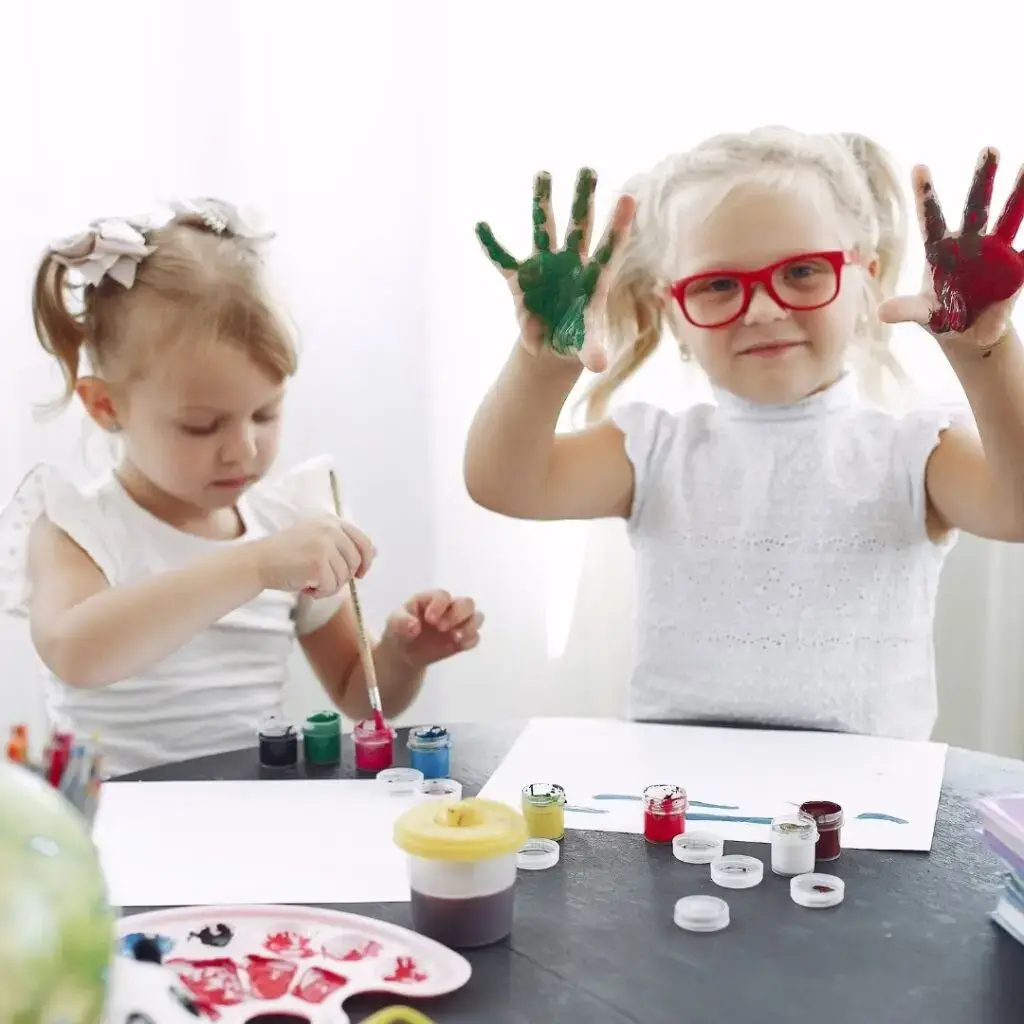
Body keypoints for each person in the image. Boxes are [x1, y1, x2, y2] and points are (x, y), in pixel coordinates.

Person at [464, 126, 1024, 741]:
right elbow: (504, 484)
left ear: (867, 274)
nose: (761, 308)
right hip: (678, 806)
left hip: (865, 806)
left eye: (803, 272)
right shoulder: (653, 449)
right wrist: (543, 362)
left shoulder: (911, 452)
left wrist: (985, 355)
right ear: (674, 311)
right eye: (718, 284)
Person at [0, 198, 483, 776]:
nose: (244, 449)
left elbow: (358, 695)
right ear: (106, 406)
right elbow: (75, 652)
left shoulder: (287, 522)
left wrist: (404, 656)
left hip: (250, 813)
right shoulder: (78, 527)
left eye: (265, 414)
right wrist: (253, 566)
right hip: (116, 828)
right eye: (201, 425)